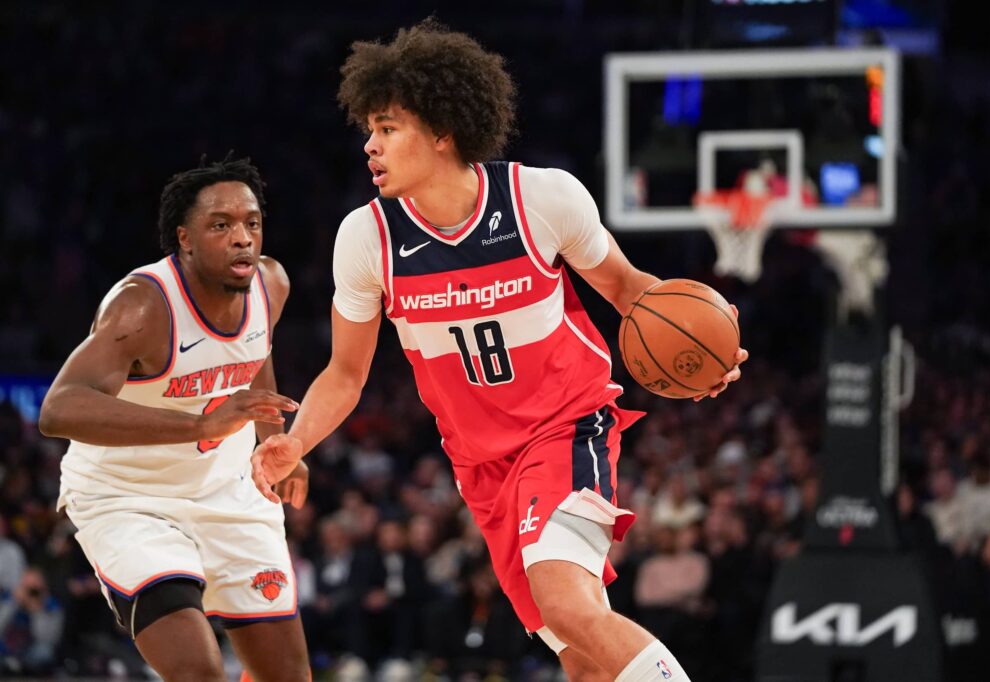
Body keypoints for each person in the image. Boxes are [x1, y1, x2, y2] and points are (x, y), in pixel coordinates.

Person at [252, 21, 746, 682]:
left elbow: (631, 290)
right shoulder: (368, 238)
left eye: (388, 127)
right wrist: (294, 442)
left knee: (567, 608)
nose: (369, 145)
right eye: (369, 129)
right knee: (580, 657)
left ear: (443, 130)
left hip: (566, 428)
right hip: (479, 465)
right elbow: (346, 374)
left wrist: (703, 350)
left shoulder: (540, 200)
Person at [39, 156, 310, 682]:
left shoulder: (270, 284)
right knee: (196, 671)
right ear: (185, 239)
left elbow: (255, 358)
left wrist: (274, 446)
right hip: (129, 500)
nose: (242, 238)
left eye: (251, 223)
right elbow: (59, 407)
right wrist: (200, 427)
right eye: (221, 225)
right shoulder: (144, 307)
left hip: (229, 492)